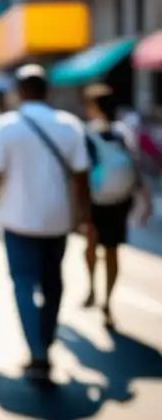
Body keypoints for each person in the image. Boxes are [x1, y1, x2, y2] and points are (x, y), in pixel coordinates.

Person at [0, 64, 95, 383]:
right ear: (49, 91)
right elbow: (82, 179)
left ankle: (37, 351)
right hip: (58, 221)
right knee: (53, 284)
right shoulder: (70, 125)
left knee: (23, 284)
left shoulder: (4, 127)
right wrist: (86, 220)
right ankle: (45, 341)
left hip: (17, 221)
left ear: (18, 92)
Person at [81, 84, 152, 328]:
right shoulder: (124, 132)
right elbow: (135, 166)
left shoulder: (87, 134)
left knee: (90, 246)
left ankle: (92, 288)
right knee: (112, 251)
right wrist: (145, 198)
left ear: (94, 107)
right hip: (121, 200)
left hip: (94, 200)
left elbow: (80, 172)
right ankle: (107, 301)